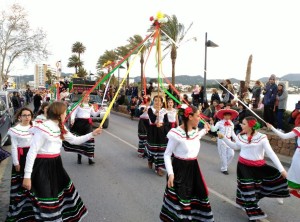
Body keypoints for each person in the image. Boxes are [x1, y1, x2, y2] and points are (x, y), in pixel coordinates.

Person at [17, 102, 102, 221]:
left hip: (56, 165)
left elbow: (75, 140)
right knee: (46, 197)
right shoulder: (43, 128)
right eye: (65, 112)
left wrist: (92, 133)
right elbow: (32, 152)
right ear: (59, 114)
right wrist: (27, 176)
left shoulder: (60, 127)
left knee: (57, 195)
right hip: (42, 167)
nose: (66, 114)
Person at [218, 116, 290, 221]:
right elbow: (235, 147)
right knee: (247, 189)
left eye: (243, 124)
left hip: (258, 167)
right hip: (243, 167)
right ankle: (254, 214)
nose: (240, 125)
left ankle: (246, 203)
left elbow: (271, 153)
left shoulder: (262, 137)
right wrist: (223, 138)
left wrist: (281, 169)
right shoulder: (240, 136)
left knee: (256, 188)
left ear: (251, 125)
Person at [159, 104, 214, 222]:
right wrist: (170, 174)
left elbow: (197, 136)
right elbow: (167, 154)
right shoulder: (176, 134)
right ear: (190, 117)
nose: (200, 118)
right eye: (198, 116)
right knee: (181, 201)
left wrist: (205, 130)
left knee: (197, 197)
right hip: (180, 170)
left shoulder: (194, 132)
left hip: (194, 170)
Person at [6, 108, 34, 221]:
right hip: (21, 156)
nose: (27, 117)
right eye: (24, 115)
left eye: (29, 115)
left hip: (32, 156)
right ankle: (19, 206)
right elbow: (13, 147)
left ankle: (31, 206)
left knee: (32, 180)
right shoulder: (15, 130)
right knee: (20, 182)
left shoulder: (34, 128)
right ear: (20, 117)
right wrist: (16, 162)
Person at [63, 91, 101, 165]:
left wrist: (100, 110)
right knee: (80, 141)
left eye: (89, 97)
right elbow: (73, 113)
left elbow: (94, 114)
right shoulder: (78, 105)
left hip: (88, 124)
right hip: (79, 124)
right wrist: (73, 119)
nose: (88, 98)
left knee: (90, 141)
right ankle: (79, 158)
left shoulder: (91, 105)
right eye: (86, 96)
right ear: (83, 97)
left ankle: (90, 158)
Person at [266, 122, 300, 198]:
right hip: (299, 158)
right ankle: (278, 192)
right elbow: (284, 136)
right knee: (294, 181)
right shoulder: (299, 129)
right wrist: (272, 128)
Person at [146, 95, 170, 176]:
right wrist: (156, 114)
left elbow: (167, 122)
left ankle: (159, 168)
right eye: (156, 100)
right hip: (153, 131)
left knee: (161, 150)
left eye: (159, 101)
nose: (157, 102)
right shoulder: (150, 109)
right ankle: (150, 159)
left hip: (161, 131)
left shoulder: (164, 111)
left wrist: (162, 124)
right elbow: (152, 120)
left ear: (162, 103)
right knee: (153, 150)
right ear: (153, 101)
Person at [210, 108, 238, 175]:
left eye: (229, 115)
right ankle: (224, 168)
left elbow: (232, 133)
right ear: (223, 116)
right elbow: (213, 130)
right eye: (226, 115)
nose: (227, 117)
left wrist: (237, 140)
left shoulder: (231, 124)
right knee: (223, 155)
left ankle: (224, 165)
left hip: (229, 141)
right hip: (221, 140)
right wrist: (211, 124)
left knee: (231, 154)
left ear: (231, 116)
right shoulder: (219, 123)